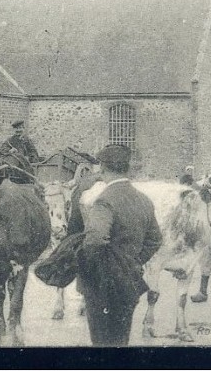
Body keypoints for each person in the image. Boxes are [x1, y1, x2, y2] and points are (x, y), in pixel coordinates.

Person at [75, 144, 163, 346]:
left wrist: (90, 268)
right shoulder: (144, 200)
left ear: (103, 169)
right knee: (122, 338)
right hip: (130, 279)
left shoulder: (104, 200)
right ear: (126, 169)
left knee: (102, 343)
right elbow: (155, 239)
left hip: (103, 283)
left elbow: (96, 238)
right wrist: (134, 260)